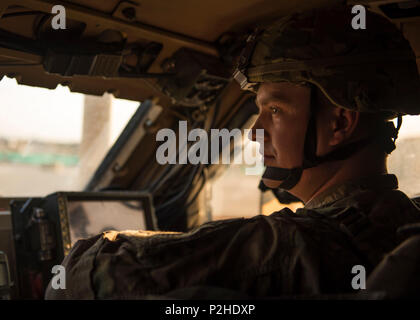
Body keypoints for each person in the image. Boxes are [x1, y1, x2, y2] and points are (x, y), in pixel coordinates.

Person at [45, 5, 420, 299]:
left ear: (340, 123)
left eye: (274, 110)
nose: (255, 131)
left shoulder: (291, 247)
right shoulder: (404, 224)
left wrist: (129, 242)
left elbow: (83, 280)